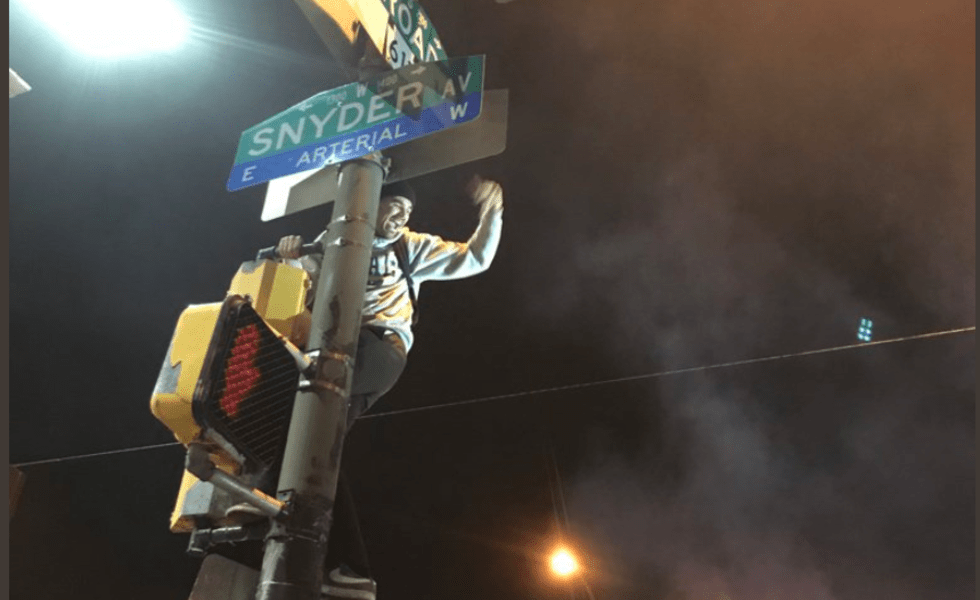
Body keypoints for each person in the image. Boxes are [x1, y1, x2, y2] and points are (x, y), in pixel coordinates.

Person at [274, 175, 504, 600]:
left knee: (304, 419)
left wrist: (493, 211)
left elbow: (474, 258)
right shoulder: (333, 242)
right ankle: (349, 568)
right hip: (333, 349)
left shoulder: (409, 246)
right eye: (394, 206)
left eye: (408, 212)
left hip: (379, 348)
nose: (401, 216)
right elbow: (300, 290)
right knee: (311, 448)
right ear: (366, 205)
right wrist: (291, 257)